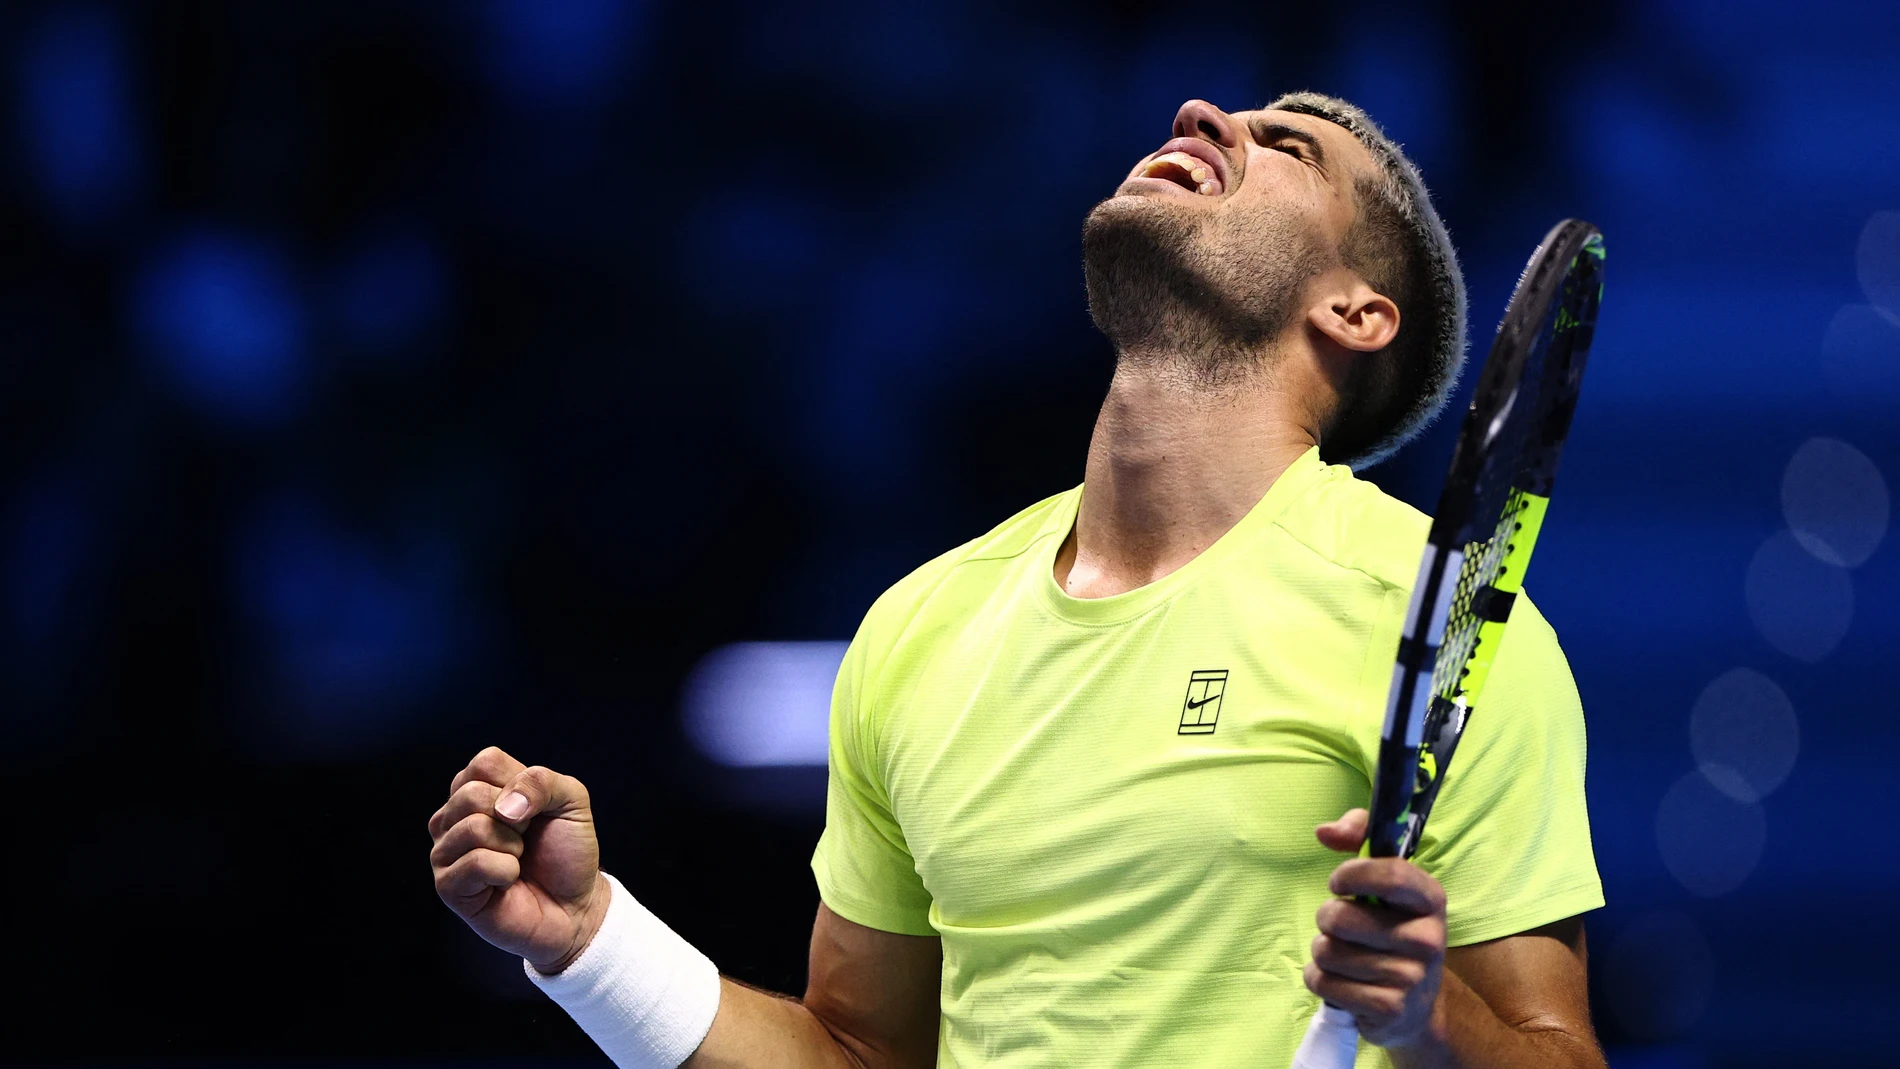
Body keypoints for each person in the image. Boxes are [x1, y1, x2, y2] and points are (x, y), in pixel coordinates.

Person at [428, 92, 1606, 1069]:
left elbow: (1558, 1050)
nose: (1204, 113)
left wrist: (1431, 1016)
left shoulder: (1433, 623)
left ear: (1354, 311)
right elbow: (857, 1053)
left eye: (1286, 145)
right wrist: (588, 943)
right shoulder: (922, 625)